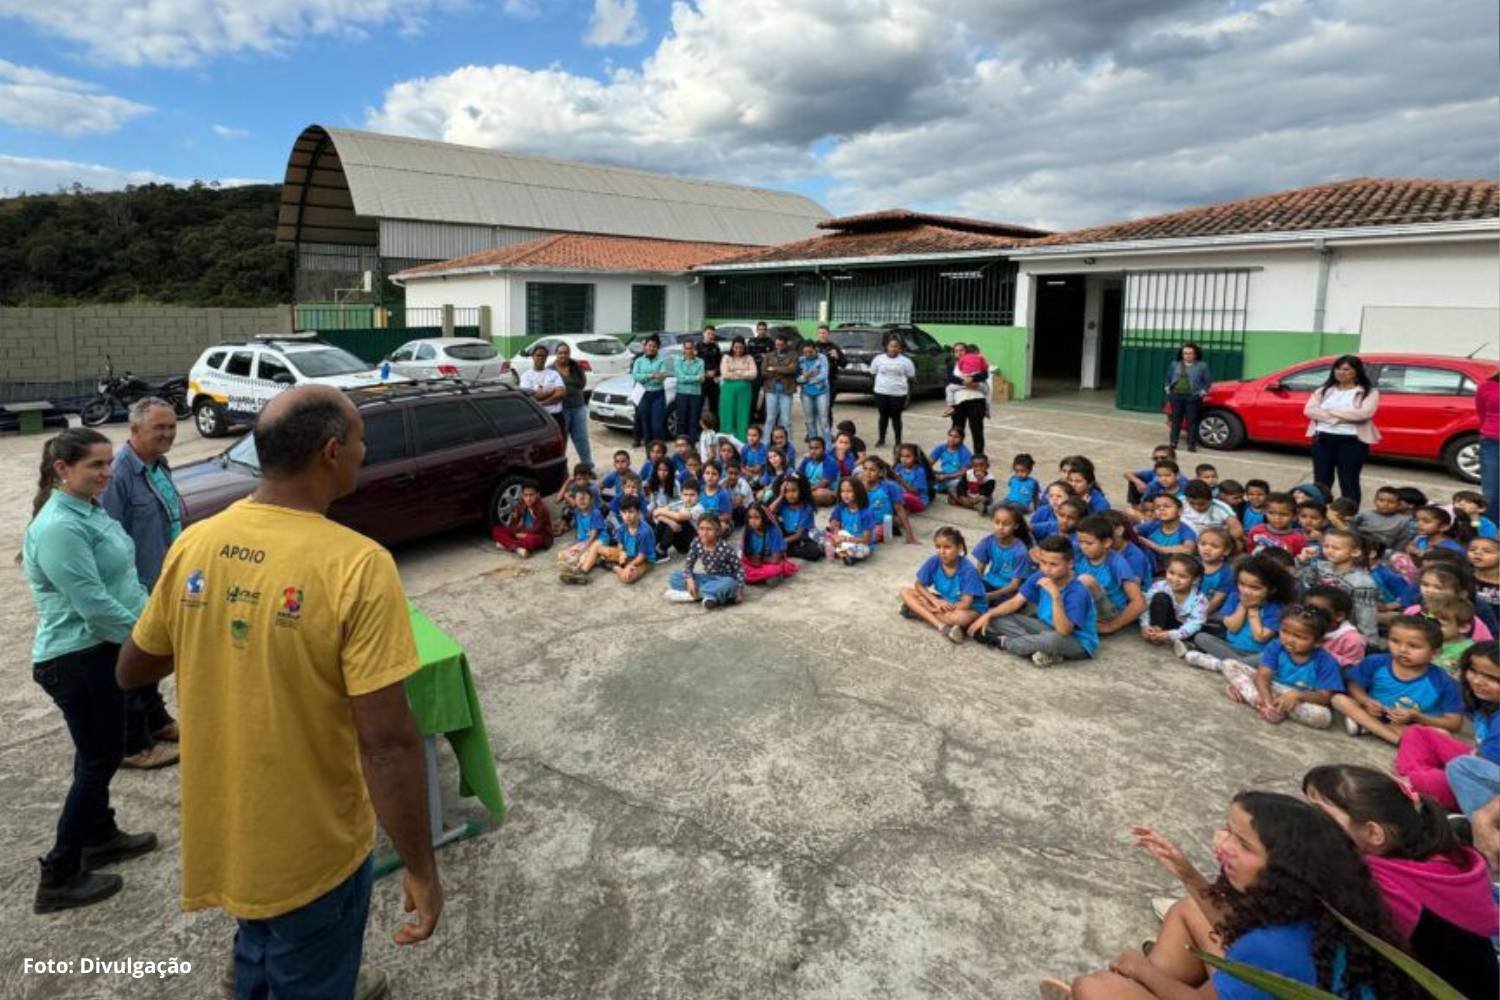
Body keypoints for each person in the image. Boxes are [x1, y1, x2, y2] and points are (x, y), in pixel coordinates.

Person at [117, 387, 441, 998]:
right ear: (331, 453)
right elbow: (388, 743)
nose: (365, 454)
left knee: (258, 945)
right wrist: (422, 866)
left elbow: (134, 668)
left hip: (228, 831)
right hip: (312, 847)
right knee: (309, 968)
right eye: (361, 442)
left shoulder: (197, 541)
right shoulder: (357, 565)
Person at [1042, 794, 1414, 1000]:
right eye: (1228, 832)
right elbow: (1239, 932)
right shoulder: (1325, 903)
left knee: (1095, 987)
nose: (1223, 845)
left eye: (1243, 843)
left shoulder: (1269, 946)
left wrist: (1138, 968)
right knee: (1189, 912)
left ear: (1284, 869)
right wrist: (1187, 873)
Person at [23, 428, 159, 913]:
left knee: (96, 753)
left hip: (102, 651)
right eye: (95, 466)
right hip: (76, 659)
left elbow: (123, 583)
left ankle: (99, 836)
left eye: (107, 463)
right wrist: (150, 642)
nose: (106, 474)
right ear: (63, 469)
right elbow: (94, 606)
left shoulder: (89, 509)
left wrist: (153, 617)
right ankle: (58, 875)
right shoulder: (60, 525)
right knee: (99, 759)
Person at [1303, 765, 1500, 1000]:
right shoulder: (1444, 858)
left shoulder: (1376, 883)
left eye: (1321, 814)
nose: (1305, 818)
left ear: (1374, 834)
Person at [98, 397, 183, 770]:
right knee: (131, 661)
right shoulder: (117, 475)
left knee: (154, 656)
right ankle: (133, 744)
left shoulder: (157, 465)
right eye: (158, 428)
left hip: (163, 582)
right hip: (135, 588)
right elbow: (107, 536)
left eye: (171, 426)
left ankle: (157, 721)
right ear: (134, 431)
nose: (167, 434)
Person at [1395, 641, 1499, 811]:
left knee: (1437, 777)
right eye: (1473, 671)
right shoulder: (1487, 702)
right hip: (1479, 765)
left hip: (1487, 793)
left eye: (1492, 678)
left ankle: (1415, 783)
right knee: (1418, 733)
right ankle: (1414, 780)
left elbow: (1482, 770)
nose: (1478, 681)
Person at [968, 535, 1099, 667]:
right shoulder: (1040, 576)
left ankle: (1001, 642)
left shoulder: (1077, 592)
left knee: (1051, 641)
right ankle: (1038, 648)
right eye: (1043, 562)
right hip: (1045, 627)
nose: (1047, 569)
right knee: (996, 618)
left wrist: (1055, 596)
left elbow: (1064, 631)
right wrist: (988, 614)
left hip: (1076, 641)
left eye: (1054, 564)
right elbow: (1016, 601)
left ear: (1070, 564)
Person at [1335, 615, 1464, 745]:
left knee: (1443, 735)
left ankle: (1369, 727)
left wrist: (1416, 716)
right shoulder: (1376, 662)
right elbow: (1354, 686)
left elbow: (1454, 723)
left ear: (1435, 653)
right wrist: (1366, 700)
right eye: (1395, 641)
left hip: (1411, 726)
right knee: (1339, 699)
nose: (1402, 650)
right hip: (1375, 714)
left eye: (1413, 646)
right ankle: (1396, 739)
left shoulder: (1444, 682)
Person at [1219, 604, 1344, 729]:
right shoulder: (1276, 646)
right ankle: (1268, 706)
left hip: (1299, 698)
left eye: (1299, 637)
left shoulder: (1325, 661)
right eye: (1284, 631)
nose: (1289, 639)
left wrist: (1297, 695)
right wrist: (1267, 701)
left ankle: (1248, 694)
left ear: (1318, 642)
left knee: (1322, 717)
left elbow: (1324, 697)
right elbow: (1263, 675)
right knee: (1230, 664)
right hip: (1272, 687)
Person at [1180, 553, 1295, 667]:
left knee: (1269, 656)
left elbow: (1260, 637)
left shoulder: (1275, 606)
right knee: (1201, 637)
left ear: (1272, 589)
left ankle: (1219, 664)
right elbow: (1232, 627)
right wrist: (1243, 606)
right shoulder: (1235, 596)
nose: (1246, 591)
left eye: (1254, 588)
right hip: (1230, 646)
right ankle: (1235, 664)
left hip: (1256, 653)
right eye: (1242, 584)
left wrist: (1253, 611)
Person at [1304, 354, 1381, 508]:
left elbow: (1363, 414)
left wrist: (1329, 412)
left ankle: (1347, 517)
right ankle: (1319, 514)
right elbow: (1309, 410)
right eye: (1337, 369)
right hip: (1323, 439)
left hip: (1352, 441)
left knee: (1349, 481)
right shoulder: (1323, 390)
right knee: (1321, 481)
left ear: (1356, 371)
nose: (1340, 372)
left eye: (1346, 369)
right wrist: (1341, 416)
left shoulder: (1368, 392)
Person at [899, 527, 988, 644]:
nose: (942, 551)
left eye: (947, 547)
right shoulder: (934, 561)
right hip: (944, 602)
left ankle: (918, 612)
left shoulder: (969, 570)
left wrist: (930, 606)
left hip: (969, 608)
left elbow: (965, 604)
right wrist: (935, 601)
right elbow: (918, 584)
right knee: (905, 591)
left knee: (960, 618)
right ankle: (941, 626)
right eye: (938, 547)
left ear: (959, 548)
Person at [664, 515, 744, 609]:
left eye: (709, 529)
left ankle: (694, 596)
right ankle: (708, 596)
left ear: (717, 531)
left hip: (723, 580)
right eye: (701, 529)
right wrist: (690, 580)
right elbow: (688, 565)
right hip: (707, 579)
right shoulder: (696, 543)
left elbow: (739, 570)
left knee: (731, 583)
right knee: (675, 576)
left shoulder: (725, 548)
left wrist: (739, 590)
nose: (704, 533)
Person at [1138, 554, 1208, 647]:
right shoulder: (1160, 586)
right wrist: (1145, 626)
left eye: (1182, 576)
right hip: (1159, 621)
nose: (1175, 579)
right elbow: (1146, 606)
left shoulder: (1199, 599)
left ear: (1194, 579)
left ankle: (1178, 642)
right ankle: (1155, 633)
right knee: (1160, 597)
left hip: (1180, 628)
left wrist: (1171, 635)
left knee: (1199, 633)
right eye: (1171, 573)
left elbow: (1195, 623)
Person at [972, 504, 1034, 607]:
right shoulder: (988, 541)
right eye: (997, 522)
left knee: (1011, 605)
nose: (1000, 527)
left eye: (1006, 524)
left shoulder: (1020, 551)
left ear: (1015, 526)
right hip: (989, 582)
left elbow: (1015, 585)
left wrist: (990, 596)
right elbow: (979, 572)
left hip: (1008, 590)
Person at [1162, 342, 1212, 452]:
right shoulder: (1175, 364)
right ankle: (1173, 443)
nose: (1187, 355)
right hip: (1176, 396)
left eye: (1190, 353)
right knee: (1176, 421)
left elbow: (1207, 382)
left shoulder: (1202, 366)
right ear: (1182, 354)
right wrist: (1168, 389)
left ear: (1195, 354)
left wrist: (1201, 393)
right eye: (1185, 353)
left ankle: (1191, 445)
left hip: (1193, 397)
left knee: (1192, 422)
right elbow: (1168, 378)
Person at [552, 342, 593, 469]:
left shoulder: (575, 366)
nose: (563, 355)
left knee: (582, 439)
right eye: (560, 353)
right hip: (561, 410)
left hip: (578, 407)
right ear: (556, 354)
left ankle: (587, 467)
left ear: (569, 354)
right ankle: (561, 469)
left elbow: (582, 383)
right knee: (562, 440)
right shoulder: (550, 370)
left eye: (566, 353)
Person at [869, 336, 915, 447]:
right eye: (891, 346)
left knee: (896, 417)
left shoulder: (906, 361)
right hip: (881, 392)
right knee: (883, 416)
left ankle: (898, 441)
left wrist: (904, 390)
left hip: (898, 394)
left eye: (896, 347)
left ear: (900, 348)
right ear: (886, 347)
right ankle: (881, 439)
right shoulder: (878, 359)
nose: (893, 349)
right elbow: (873, 373)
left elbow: (911, 377)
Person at [946, 342, 989, 457]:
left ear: (967, 351)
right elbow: (950, 378)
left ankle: (979, 456)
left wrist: (972, 379)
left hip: (976, 400)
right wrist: (964, 382)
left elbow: (984, 374)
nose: (959, 353)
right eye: (956, 351)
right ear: (953, 353)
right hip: (959, 402)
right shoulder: (951, 365)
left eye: (962, 350)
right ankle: (956, 454)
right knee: (957, 430)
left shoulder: (975, 362)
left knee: (977, 430)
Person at [740, 502, 799, 586]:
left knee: (773, 571)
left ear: (765, 518)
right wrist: (751, 559)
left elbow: (775, 559)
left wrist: (760, 559)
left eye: (756, 517)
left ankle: (758, 577)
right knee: (738, 566)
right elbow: (745, 554)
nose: (752, 521)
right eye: (750, 517)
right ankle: (759, 577)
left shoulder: (773, 531)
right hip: (753, 563)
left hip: (769, 564)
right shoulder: (747, 531)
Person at [492, 481, 553, 556]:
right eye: (525, 495)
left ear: (537, 495)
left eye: (531, 495)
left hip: (539, 535)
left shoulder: (542, 509)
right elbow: (512, 525)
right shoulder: (521, 503)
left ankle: (507, 545)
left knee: (532, 540)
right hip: (523, 533)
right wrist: (514, 523)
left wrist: (521, 534)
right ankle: (517, 548)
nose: (528, 498)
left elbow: (536, 530)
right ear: (522, 495)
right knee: (496, 530)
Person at [631, 335, 670, 445]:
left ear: (657, 348)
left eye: (654, 346)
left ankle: (660, 451)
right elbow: (636, 376)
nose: (651, 348)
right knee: (646, 425)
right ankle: (650, 454)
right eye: (649, 345)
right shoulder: (638, 361)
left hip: (658, 394)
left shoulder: (661, 360)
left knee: (657, 425)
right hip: (643, 395)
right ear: (645, 346)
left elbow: (662, 377)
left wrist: (645, 377)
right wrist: (652, 375)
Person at [519, 342, 566, 432]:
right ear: (533, 357)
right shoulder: (526, 376)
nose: (541, 358)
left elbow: (561, 394)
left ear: (546, 358)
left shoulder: (554, 374)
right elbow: (532, 397)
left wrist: (543, 403)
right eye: (538, 355)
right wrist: (552, 391)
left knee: (560, 444)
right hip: (537, 417)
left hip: (556, 416)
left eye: (543, 356)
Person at [718, 336, 757, 442]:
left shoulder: (749, 358)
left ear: (744, 347)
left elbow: (753, 374)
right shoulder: (726, 357)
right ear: (732, 347)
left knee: (743, 415)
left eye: (741, 347)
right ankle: (727, 441)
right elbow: (725, 374)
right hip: (728, 390)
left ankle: (742, 441)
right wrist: (744, 373)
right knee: (728, 414)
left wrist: (735, 372)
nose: (738, 350)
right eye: (736, 347)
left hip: (744, 391)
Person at [760, 333, 798, 440]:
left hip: (786, 390)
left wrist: (774, 369)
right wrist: (784, 369)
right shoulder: (769, 355)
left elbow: (793, 370)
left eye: (781, 344)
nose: (779, 347)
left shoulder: (793, 355)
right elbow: (763, 372)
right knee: (770, 419)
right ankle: (766, 443)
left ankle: (789, 445)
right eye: (777, 344)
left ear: (786, 344)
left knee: (786, 420)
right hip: (771, 389)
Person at [796, 339, 831, 445]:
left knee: (824, 420)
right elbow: (797, 379)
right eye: (805, 352)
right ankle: (814, 446)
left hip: (822, 391)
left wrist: (807, 378)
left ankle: (828, 447)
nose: (808, 354)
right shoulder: (800, 360)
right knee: (810, 421)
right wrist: (807, 376)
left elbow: (823, 376)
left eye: (810, 352)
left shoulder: (822, 358)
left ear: (815, 349)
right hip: (806, 393)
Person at [672, 339, 705, 448]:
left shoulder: (700, 361)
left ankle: (691, 446)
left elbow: (702, 378)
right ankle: (680, 445)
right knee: (681, 421)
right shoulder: (678, 361)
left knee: (693, 421)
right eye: (686, 348)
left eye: (691, 348)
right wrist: (695, 377)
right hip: (682, 393)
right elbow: (680, 378)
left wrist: (688, 378)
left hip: (695, 394)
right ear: (683, 349)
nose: (689, 350)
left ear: (694, 349)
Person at [812, 324, 844, 421]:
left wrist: (837, 357)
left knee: (827, 409)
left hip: (830, 381)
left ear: (828, 334)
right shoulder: (813, 346)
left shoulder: (834, 347)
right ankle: (812, 434)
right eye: (820, 333)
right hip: (815, 381)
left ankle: (827, 433)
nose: (822, 335)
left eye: (824, 333)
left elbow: (844, 363)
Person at [1479, 370, 1499, 519]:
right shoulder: (1488, 386)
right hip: (1493, 443)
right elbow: (1482, 412)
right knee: (1492, 493)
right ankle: (1490, 533)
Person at [697, 324, 723, 418]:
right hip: (702, 380)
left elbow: (720, 363)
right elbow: (695, 363)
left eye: (712, 334)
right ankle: (699, 428)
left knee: (714, 407)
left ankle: (715, 428)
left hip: (713, 380)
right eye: (708, 333)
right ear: (704, 334)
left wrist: (716, 372)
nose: (710, 336)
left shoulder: (716, 347)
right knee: (699, 406)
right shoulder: (698, 347)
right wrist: (704, 372)